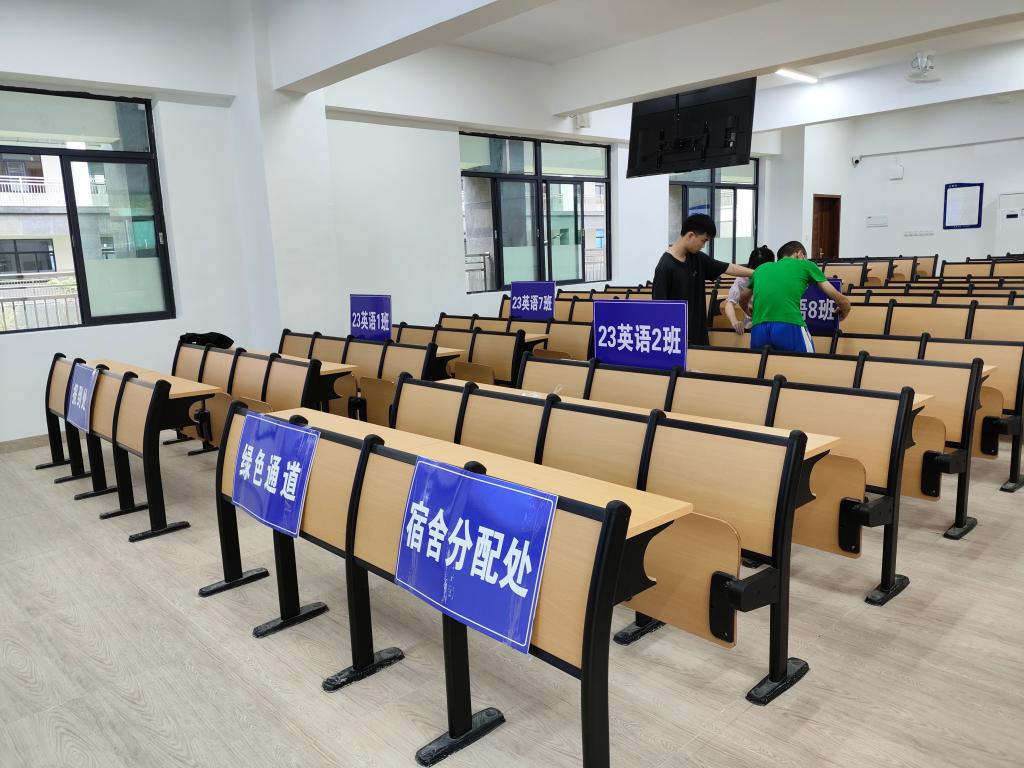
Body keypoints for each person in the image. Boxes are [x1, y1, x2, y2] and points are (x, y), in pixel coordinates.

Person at [653, 214, 753, 345]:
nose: (703, 245)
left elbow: (727, 267)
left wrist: (759, 273)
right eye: (703, 240)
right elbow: (659, 310)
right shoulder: (665, 267)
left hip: (699, 334)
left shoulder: (697, 258)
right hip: (677, 340)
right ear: (690, 235)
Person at [738, 240, 852, 353]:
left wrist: (750, 312)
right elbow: (841, 300)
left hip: (758, 330)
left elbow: (742, 299)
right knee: (808, 363)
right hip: (789, 326)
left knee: (764, 364)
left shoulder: (761, 269)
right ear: (800, 254)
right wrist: (844, 311)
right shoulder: (806, 265)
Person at [724, 245, 775, 336]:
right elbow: (730, 303)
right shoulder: (743, 279)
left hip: (774, 318)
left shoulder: (776, 278)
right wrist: (734, 321)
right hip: (752, 319)